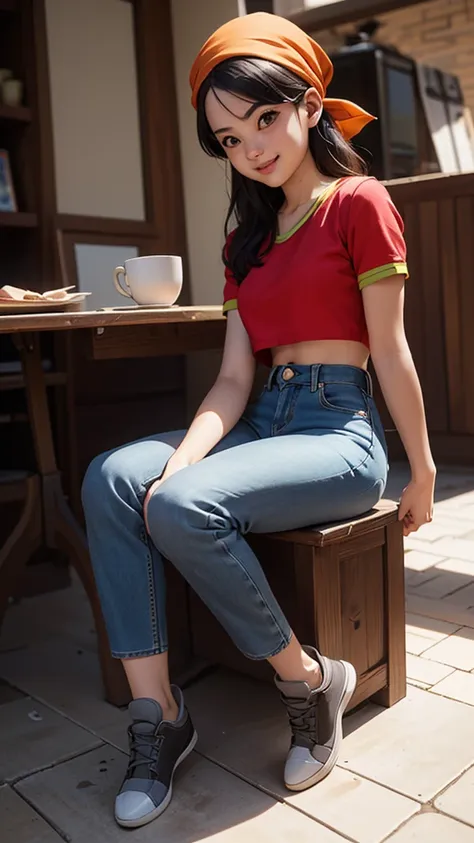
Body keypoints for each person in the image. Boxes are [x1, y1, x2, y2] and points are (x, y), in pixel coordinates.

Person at [81, 12, 436, 829]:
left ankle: (311, 681)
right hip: (260, 421)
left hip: (337, 432)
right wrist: (186, 457)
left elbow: (391, 349)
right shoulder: (246, 237)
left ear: (310, 104)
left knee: (180, 505)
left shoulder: (359, 202)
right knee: (115, 478)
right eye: (230, 138)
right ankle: (159, 714)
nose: (252, 147)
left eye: (264, 120)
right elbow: (234, 378)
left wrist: (417, 469)